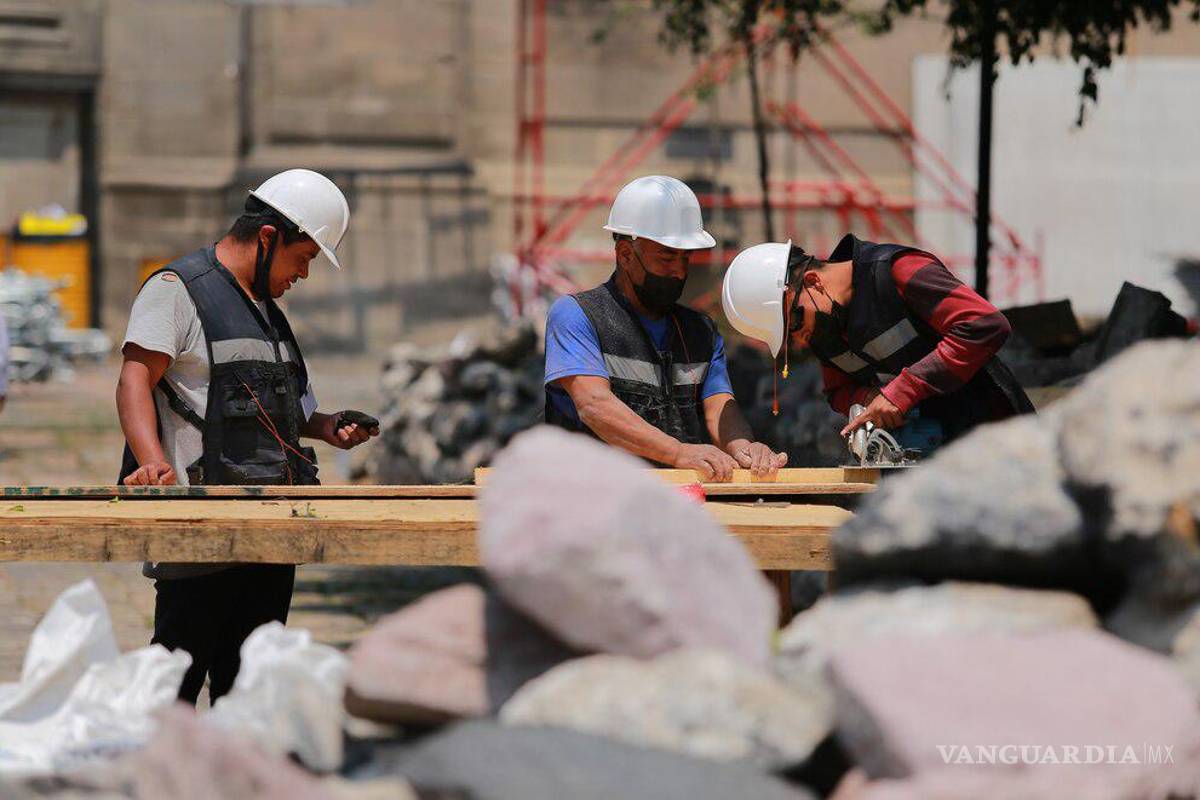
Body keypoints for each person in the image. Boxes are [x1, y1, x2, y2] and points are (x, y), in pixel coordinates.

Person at [116, 168, 379, 705]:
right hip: (199, 524)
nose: (304, 273)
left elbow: (285, 412)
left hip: (270, 527)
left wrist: (328, 427)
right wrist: (150, 461)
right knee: (178, 676)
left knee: (251, 683)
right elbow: (134, 378)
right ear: (267, 238)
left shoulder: (269, 314)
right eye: (303, 257)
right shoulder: (178, 291)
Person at [544, 175, 787, 481]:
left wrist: (745, 448)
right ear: (625, 255)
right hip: (586, 500)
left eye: (686, 258)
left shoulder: (701, 332)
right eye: (667, 257)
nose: (679, 271)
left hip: (670, 505)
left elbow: (719, 409)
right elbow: (594, 406)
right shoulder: (578, 316)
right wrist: (678, 452)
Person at [721, 234, 1033, 451]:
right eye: (789, 337)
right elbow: (837, 391)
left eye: (796, 321)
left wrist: (903, 391)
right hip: (929, 459)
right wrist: (867, 398)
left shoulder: (895, 271)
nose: (800, 339)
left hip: (995, 435)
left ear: (813, 282)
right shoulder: (823, 329)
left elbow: (985, 325)